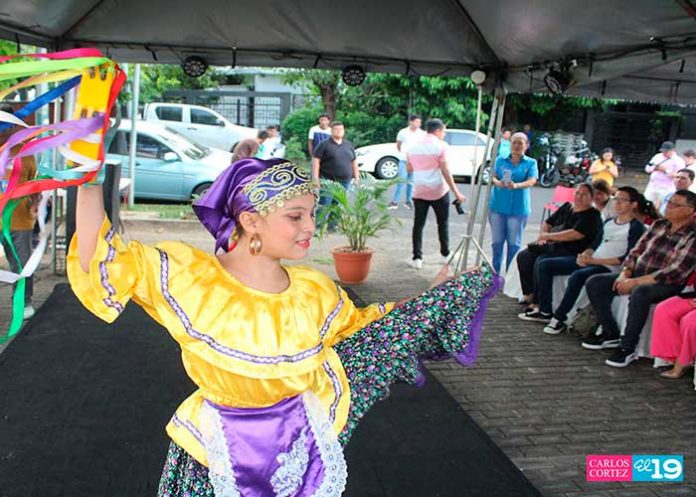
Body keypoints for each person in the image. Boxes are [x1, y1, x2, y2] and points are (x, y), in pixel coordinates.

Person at [67, 158, 500, 496]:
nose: (311, 227)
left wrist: (429, 300)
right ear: (251, 220)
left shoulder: (313, 289)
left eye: (311, 215)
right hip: (214, 449)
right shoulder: (187, 274)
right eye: (295, 216)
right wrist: (87, 181)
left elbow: (365, 330)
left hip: (300, 440)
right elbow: (101, 261)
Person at [582, 190, 696, 368]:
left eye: (676, 204)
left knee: (641, 292)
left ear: (690, 210)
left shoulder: (692, 235)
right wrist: (625, 273)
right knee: (595, 282)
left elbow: (676, 270)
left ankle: (628, 347)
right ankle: (610, 332)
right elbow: (636, 252)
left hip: (668, 284)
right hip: (638, 274)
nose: (669, 207)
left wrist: (635, 282)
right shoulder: (659, 224)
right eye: (669, 202)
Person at [532, 187, 645, 334]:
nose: (617, 203)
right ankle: (544, 309)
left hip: (609, 267)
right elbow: (595, 244)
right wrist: (585, 254)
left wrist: (593, 261)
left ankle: (559, 317)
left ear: (633, 204)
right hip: (592, 261)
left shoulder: (636, 227)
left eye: (622, 200)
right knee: (545, 264)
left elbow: (627, 258)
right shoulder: (610, 222)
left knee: (577, 276)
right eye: (615, 199)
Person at [517, 183, 603, 316]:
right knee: (524, 255)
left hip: (573, 250)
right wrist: (544, 237)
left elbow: (575, 234)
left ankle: (542, 306)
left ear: (591, 197)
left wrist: (548, 236)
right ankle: (529, 294)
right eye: (577, 193)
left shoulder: (592, 215)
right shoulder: (568, 206)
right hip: (554, 246)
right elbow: (548, 222)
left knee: (542, 262)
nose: (579, 197)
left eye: (584, 194)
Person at [407, 118, 466, 270]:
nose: (444, 135)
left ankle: (417, 258)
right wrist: (457, 192)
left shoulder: (413, 146)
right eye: (443, 131)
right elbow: (445, 171)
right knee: (443, 223)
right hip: (439, 190)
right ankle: (445, 254)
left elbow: (409, 168)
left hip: (419, 190)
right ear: (438, 131)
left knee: (418, 225)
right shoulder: (441, 146)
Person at [0, 103, 39, 320]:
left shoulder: (26, 152)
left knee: (21, 262)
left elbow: (35, 183)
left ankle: (24, 302)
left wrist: (35, 203)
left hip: (19, 219)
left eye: (6, 125)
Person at [488, 131, 538, 273]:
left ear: (526, 146)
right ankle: (495, 272)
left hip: (518, 208)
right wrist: (497, 182)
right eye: (514, 142)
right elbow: (493, 176)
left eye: (520, 143)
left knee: (514, 244)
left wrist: (517, 185)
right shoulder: (500, 160)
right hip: (498, 205)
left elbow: (532, 180)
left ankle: (509, 274)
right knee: (497, 242)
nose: (516, 146)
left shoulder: (530, 163)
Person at [311, 121, 359, 228]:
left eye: (341, 129)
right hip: (328, 179)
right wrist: (315, 178)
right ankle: (318, 225)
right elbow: (316, 161)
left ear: (344, 131)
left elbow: (354, 162)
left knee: (338, 203)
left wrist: (357, 177)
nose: (339, 132)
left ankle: (333, 225)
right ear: (331, 131)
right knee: (325, 202)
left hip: (345, 180)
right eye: (336, 129)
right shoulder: (324, 145)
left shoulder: (348, 145)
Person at [388, 114, 424, 210]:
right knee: (401, 180)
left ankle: (409, 201)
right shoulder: (403, 132)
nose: (418, 124)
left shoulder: (421, 133)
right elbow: (398, 144)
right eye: (416, 122)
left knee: (411, 182)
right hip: (404, 159)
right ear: (411, 122)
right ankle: (395, 201)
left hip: (415, 160)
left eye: (419, 122)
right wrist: (403, 153)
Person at [644, 141, 685, 210]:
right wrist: (655, 168)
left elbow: (679, 175)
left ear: (672, 150)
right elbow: (647, 168)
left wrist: (665, 170)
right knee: (646, 202)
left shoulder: (678, 161)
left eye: (666, 152)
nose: (664, 153)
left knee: (663, 206)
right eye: (663, 151)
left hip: (666, 187)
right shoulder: (657, 156)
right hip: (653, 185)